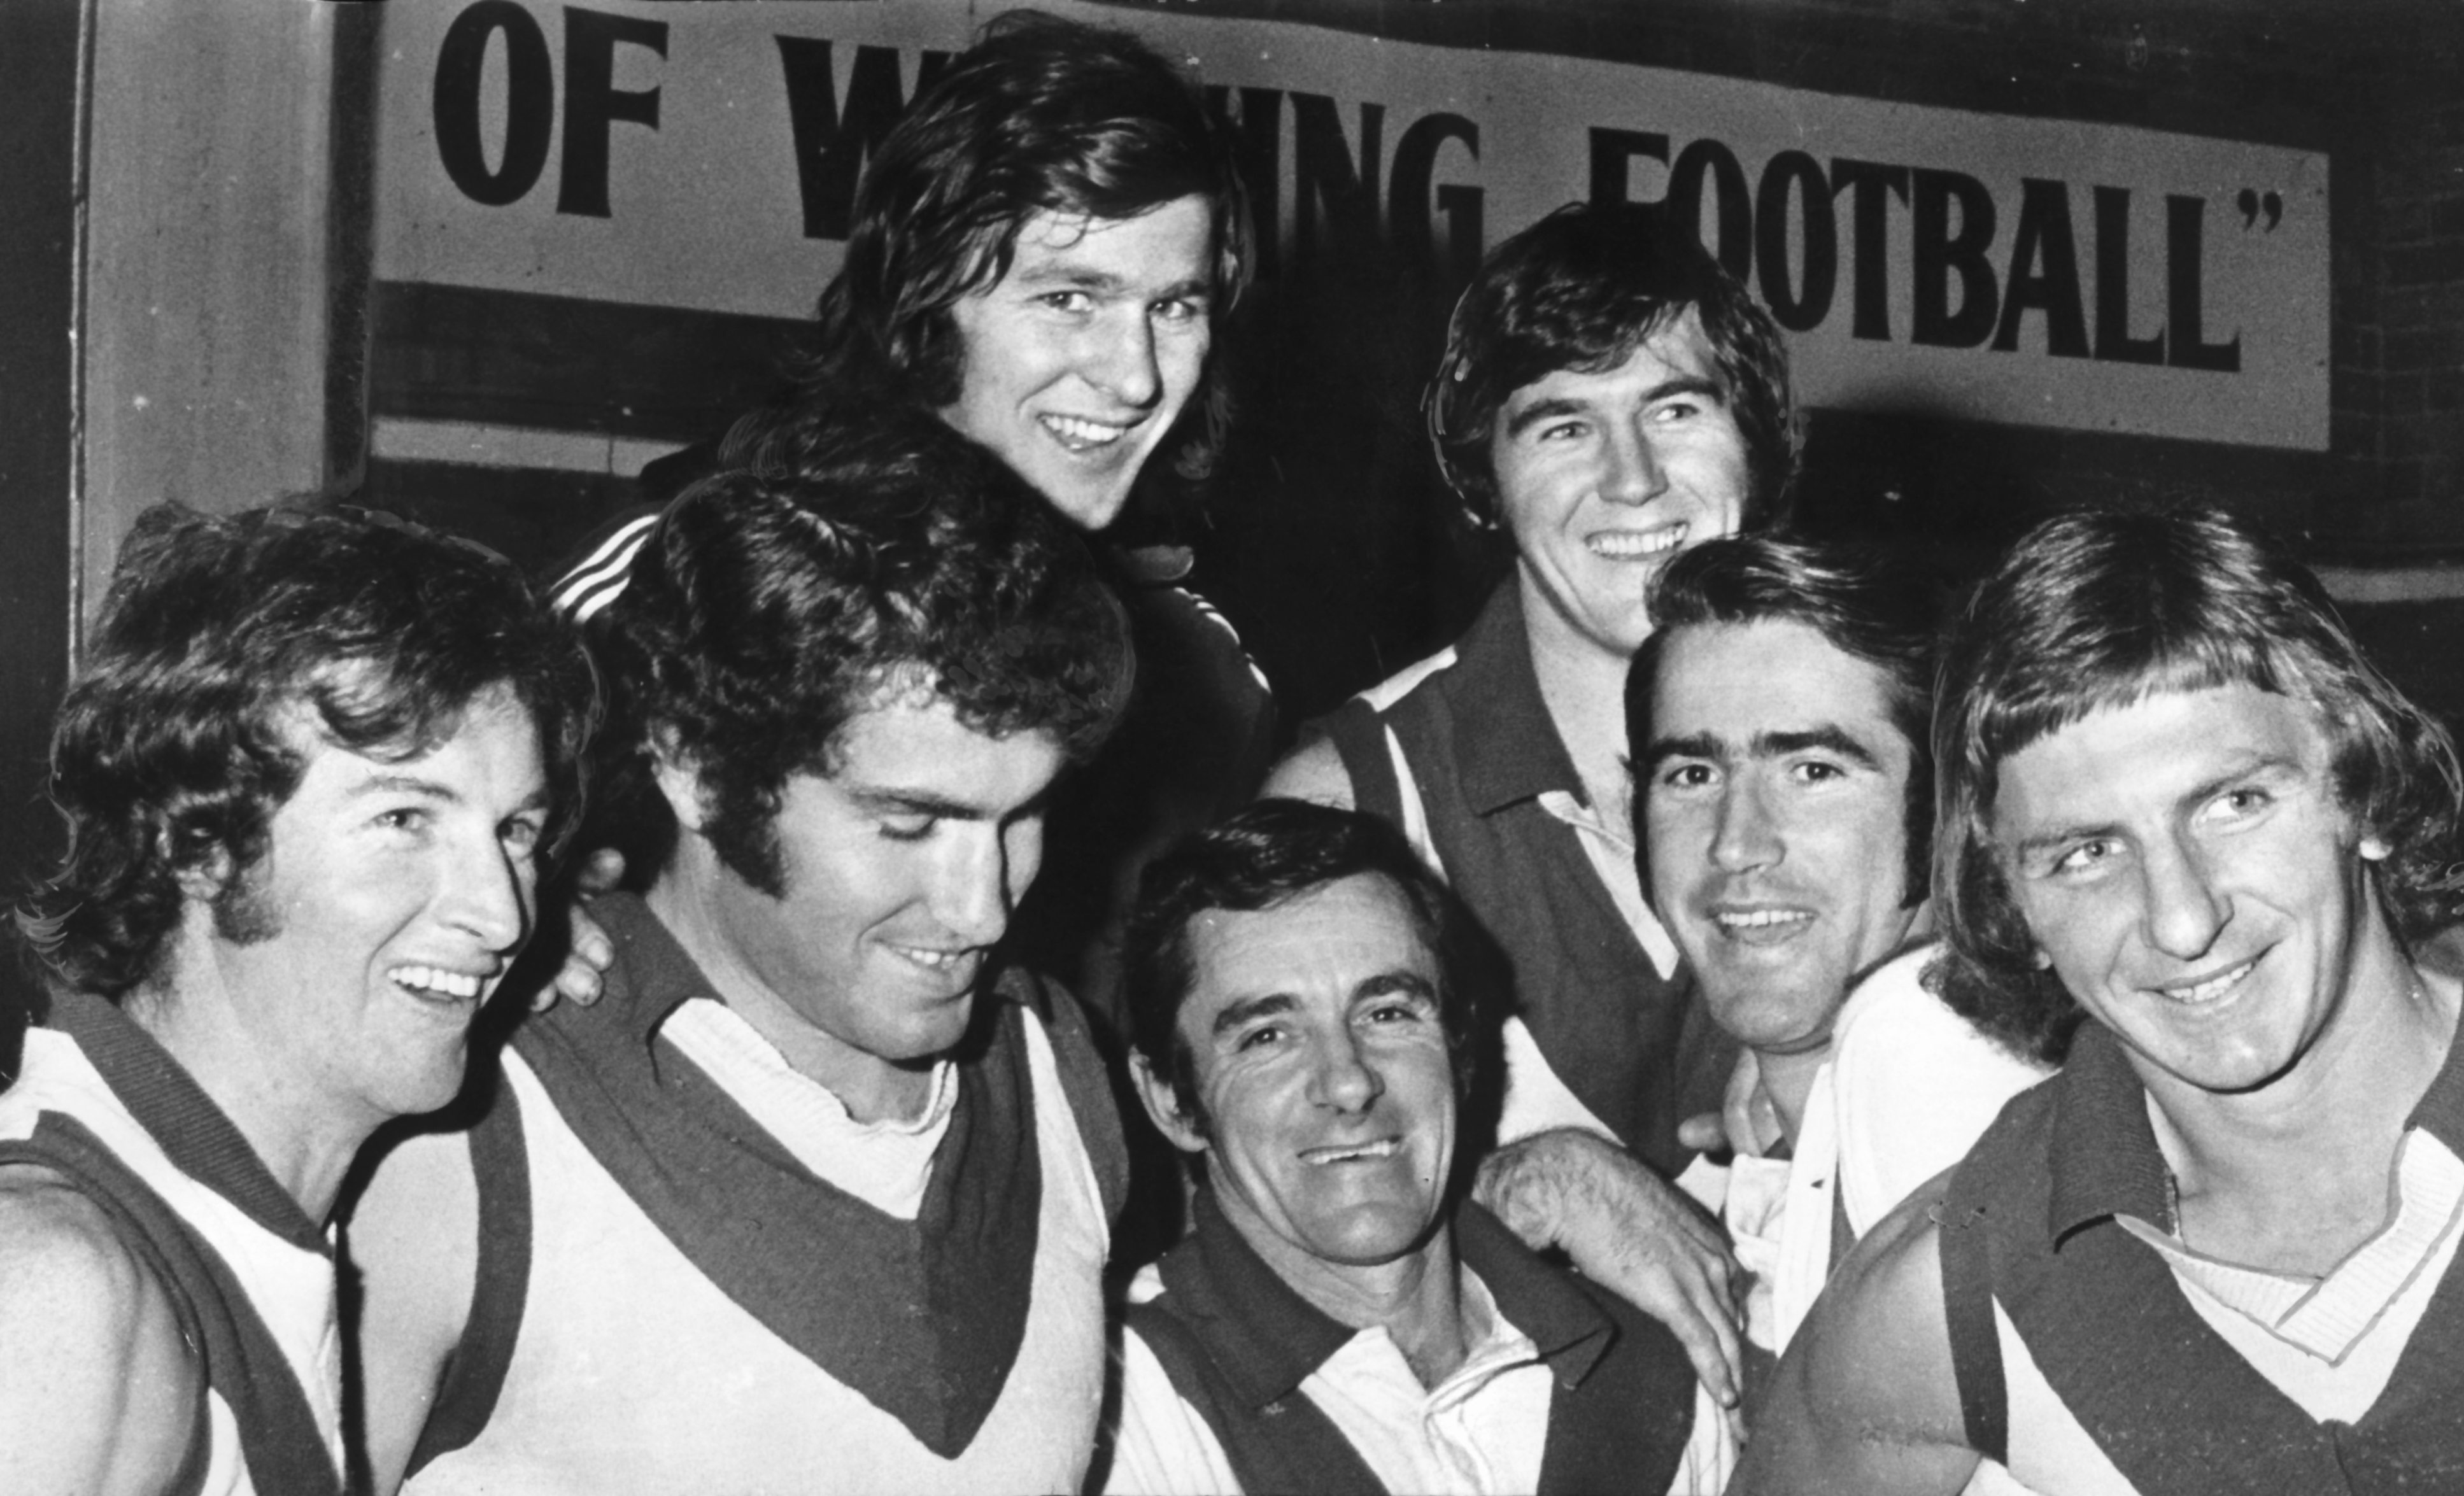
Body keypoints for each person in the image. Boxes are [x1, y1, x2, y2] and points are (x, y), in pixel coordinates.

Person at [348, 416, 1138, 1493]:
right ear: (696, 769)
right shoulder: (465, 1120)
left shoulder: (1055, 1071)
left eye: (1022, 816)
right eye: (907, 823)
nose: (982, 909)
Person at [1736, 504, 2464, 1493]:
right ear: (2011, 906)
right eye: (2085, 853)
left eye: (2232, 803)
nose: (2180, 919)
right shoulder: (1953, 1291)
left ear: (2362, 793)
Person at [551, 7, 1272, 1024]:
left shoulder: (1202, 678)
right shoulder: (678, 573)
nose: (1135, 377)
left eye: (1174, 307)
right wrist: (518, 903)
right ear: (924, 301)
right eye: (1069, 299)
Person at [1266, 200, 1800, 1402]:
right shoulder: (1353, 802)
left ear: (1752, 441)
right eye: (1563, 425)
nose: (1632, 479)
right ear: (1485, 480)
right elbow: (1247, 1238)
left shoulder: (1889, 755)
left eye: (1675, 409)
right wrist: (1516, 1187)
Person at [0, 501, 591, 1495]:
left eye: (515, 832)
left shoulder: (223, 1233)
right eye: (404, 818)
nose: (501, 914)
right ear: (194, 844)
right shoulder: (55, 1284)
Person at [1103, 798, 1738, 1495]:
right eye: (1267, 1037)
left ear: (1461, 1053)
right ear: (1170, 1099)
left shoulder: (1650, 1370)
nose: (1349, 1082)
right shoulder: (1120, 1408)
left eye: (1386, 1012)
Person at [1626, 535, 2049, 1407]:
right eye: (1692, 773)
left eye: (1812, 771)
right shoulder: (1825, 1118)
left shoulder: (1927, 1064)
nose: (1736, 843)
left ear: (1948, 811)